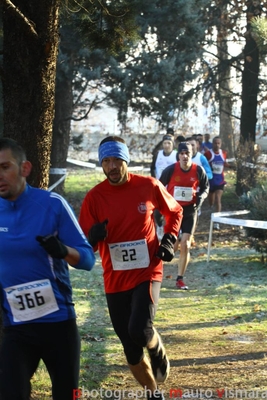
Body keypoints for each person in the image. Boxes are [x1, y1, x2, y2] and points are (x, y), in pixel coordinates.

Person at [79, 136, 183, 400]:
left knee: (140, 330)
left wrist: (169, 238)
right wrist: (92, 236)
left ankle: (156, 347)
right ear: (102, 164)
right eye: (106, 161)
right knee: (130, 348)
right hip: (115, 279)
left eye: (117, 160)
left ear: (125, 160)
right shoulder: (94, 198)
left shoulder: (147, 186)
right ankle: (153, 392)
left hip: (147, 270)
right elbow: (82, 247)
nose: (112, 166)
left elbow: (175, 211)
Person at [0, 138, 96, 400]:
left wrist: (63, 251)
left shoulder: (52, 204)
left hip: (58, 325)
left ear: (25, 168)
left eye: (5, 166)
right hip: (16, 327)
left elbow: (88, 260)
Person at [160, 142, 209, 290]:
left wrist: (201, 197)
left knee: (185, 244)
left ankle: (180, 279)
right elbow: (159, 187)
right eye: (182, 153)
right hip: (174, 212)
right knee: (172, 245)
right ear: (178, 155)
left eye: (187, 153)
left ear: (191, 154)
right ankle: (155, 267)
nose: (184, 156)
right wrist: (161, 207)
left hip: (190, 211)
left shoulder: (198, 170)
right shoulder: (170, 170)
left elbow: (206, 187)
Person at [150, 134, 177, 239]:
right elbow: (152, 168)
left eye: (169, 143)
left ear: (172, 144)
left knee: (171, 210)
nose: (166, 145)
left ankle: (173, 230)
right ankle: (160, 226)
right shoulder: (158, 154)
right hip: (159, 186)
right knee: (157, 210)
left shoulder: (175, 155)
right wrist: (154, 180)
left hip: (172, 187)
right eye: (165, 143)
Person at [204, 136, 227, 230]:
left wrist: (232, 166)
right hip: (210, 181)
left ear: (221, 144)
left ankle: (217, 221)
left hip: (220, 180)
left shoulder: (224, 153)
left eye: (218, 143)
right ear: (212, 143)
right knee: (212, 201)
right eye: (215, 143)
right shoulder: (208, 153)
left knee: (218, 199)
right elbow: (204, 164)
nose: (217, 145)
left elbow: (224, 163)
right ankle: (211, 207)